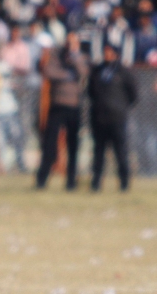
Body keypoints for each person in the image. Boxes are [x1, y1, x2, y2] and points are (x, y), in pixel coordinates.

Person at [36, 35, 89, 190]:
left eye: (73, 42)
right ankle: (42, 180)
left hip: (74, 106)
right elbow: (49, 71)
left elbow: (83, 73)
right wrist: (67, 75)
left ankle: (71, 182)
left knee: (73, 145)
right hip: (57, 105)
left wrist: (75, 57)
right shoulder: (56, 54)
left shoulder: (82, 57)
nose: (70, 45)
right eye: (68, 42)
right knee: (49, 144)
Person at [88, 43, 138, 191]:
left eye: (110, 52)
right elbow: (91, 92)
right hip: (99, 118)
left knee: (120, 152)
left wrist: (120, 107)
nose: (107, 55)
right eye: (105, 52)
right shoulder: (97, 71)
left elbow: (133, 95)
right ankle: (96, 183)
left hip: (117, 118)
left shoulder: (124, 72)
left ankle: (124, 184)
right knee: (98, 152)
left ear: (116, 54)